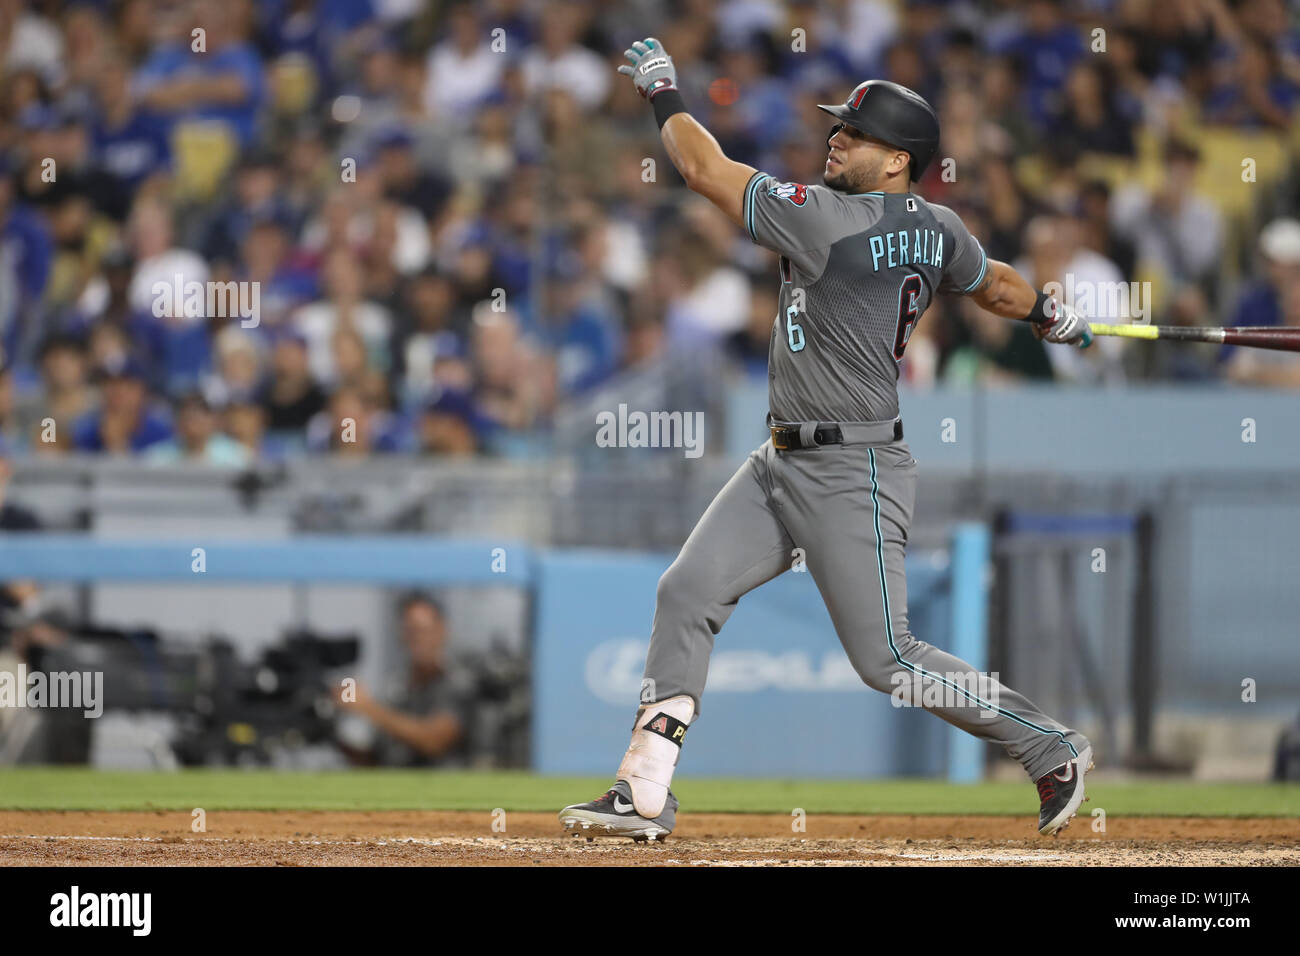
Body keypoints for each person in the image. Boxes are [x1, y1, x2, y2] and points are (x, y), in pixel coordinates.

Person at [559, 41, 1094, 842]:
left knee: (889, 660)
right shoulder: (939, 226)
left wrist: (664, 93)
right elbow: (999, 285)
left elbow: (703, 169)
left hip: (855, 467)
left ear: (897, 162)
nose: (837, 138)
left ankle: (1049, 744)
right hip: (780, 461)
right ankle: (642, 789)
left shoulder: (825, 217)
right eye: (841, 126)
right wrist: (1047, 313)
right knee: (687, 591)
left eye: (857, 133)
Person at [341, 593, 473, 767]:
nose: (418, 639)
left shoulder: (458, 683)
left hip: (444, 790)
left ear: (442, 631)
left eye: (424, 630)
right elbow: (377, 761)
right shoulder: (397, 688)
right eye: (411, 630)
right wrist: (334, 737)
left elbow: (433, 741)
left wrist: (367, 708)